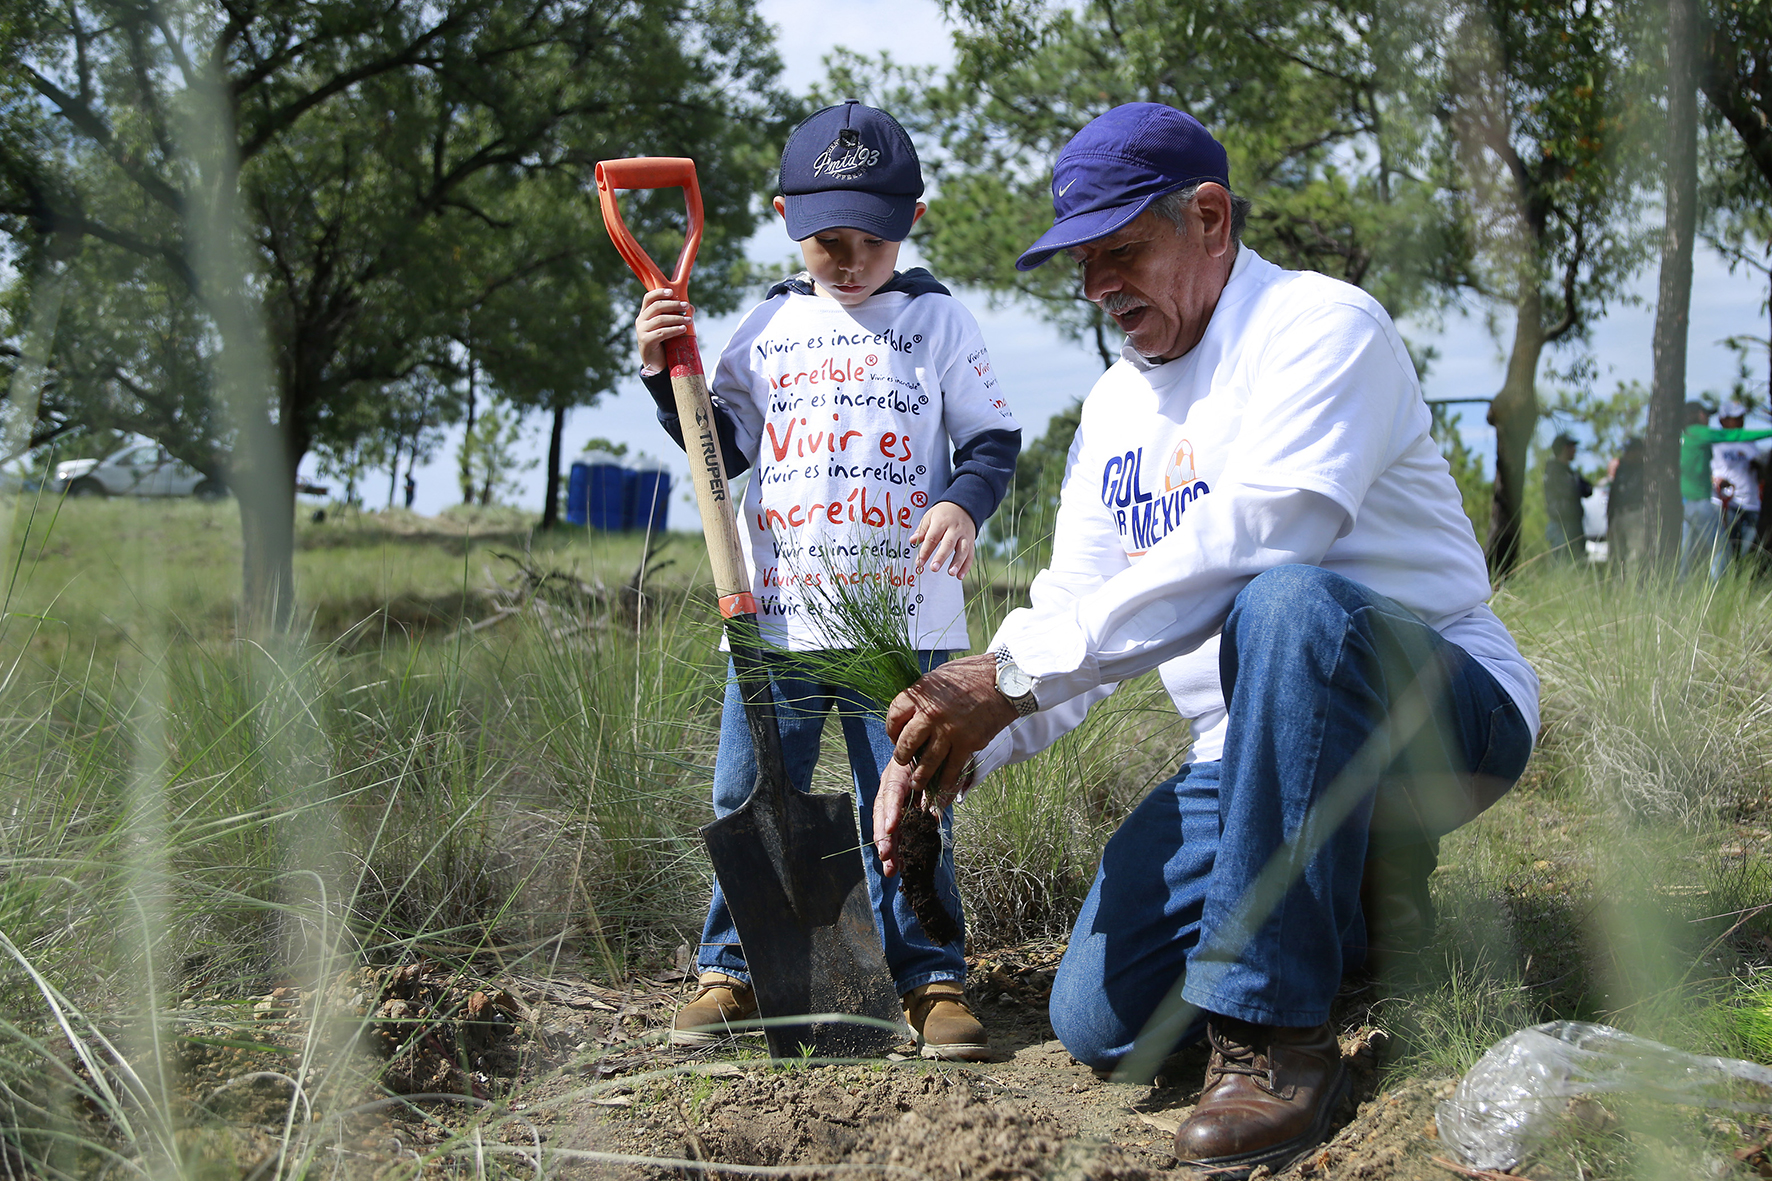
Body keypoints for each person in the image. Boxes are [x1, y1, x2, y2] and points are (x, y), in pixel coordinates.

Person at [868, 103, 1539, 1176]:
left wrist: (1004, 674)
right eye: (1080, 264)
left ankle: (1274, 1043)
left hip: (1438, 710)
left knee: (1284, 602)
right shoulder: (1111, 409)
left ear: (1210, 217)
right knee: (1100, 1022)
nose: (1097, 288)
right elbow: (1074, 606)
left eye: (1120, 251)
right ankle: (1362, 899)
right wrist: (956, 745)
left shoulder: (1320, 328)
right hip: (1247, 758)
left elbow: (1266, 539)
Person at [634, 101, 1022, 1061]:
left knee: (907, 796)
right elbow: (717, 448)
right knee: (751, 791)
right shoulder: (767, 326)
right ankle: (731, 967)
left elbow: (991, 438)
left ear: (912, 221)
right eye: (827, 240)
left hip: (901, 625)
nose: (850, 259)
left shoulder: (935, 320)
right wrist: (660, 374)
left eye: (873, 237)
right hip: (776, 616)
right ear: (784, 219)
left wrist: (963, 505)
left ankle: (929, 976)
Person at [1680, 402, 1772, 579]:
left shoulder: (1682, 436)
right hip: (1704, 503)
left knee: (1684, 555)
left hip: (1687, 504)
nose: (1708, 418)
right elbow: (1735, 435)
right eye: (1706, 414)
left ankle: (1677, 591)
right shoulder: (1699, 433)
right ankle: (1717, 592)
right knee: (1720, 551)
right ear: (1699, 416)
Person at [1710, 400, 1765, 572]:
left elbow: (1760, 473)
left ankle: (1740, 590)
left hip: (1751, 505)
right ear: (1722, 420)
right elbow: (1706, 471)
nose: (1740, 421)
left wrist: (1759, 468)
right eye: (1735, 417)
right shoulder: (1715, 443)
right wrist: (1716, 481)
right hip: (1726, 506)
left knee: (1747, 554)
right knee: (1723, 554)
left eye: (1741, 417)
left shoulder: (1750, 443)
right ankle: (1717, 592)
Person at [1542, 433, 1592, 563]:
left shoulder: (1569, 472)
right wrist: (1578, 486)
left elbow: (1588, 489)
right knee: (1563, 565)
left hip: (1574, 525)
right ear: (1565, 448)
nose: (1575, 451)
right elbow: (1572, 490)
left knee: (1579, 565)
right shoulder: (1554, 471)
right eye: (1572, 447)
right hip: (1562, 526)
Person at [1607, 437, 1646, 570]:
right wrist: (1610, 518)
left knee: (1634, 556)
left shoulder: (1644, 469)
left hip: (1635, 514)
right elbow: (1613, 494)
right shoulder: (1621, 468)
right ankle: (1616, 589)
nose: (1626, 455)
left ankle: (1631, 588)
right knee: (1615, 557)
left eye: (1630, 451)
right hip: (1617, 516)